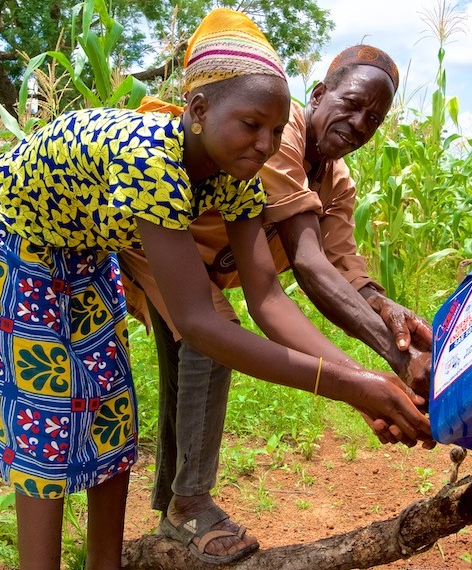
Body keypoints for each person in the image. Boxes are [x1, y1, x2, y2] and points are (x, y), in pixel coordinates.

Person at [0, 11, 433, 570]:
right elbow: (200, 320)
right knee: (49, 420)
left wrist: (364, 382)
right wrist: (352, 385)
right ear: (199, 111)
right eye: (252, 124)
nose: (264, 143)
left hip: (86, 249)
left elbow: (269, 299)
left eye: (276, 132)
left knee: (109, 414)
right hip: (15, 243)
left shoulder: (237, 173)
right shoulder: (151, 160)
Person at [119, 44, 436, 564]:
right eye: (352, 104)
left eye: (374, 119)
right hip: (156, 240)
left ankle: (178, 504)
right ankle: (189, 502)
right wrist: (397, 365)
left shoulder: (334, 181)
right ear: (318, 95)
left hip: (201, 264)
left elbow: (343, 267)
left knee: (187, 361)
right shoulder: (274, 132)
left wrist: (388, 312)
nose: (359, 123)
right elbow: (308, 265)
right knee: (210, 338)